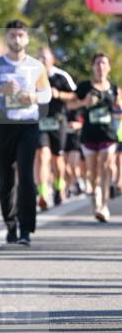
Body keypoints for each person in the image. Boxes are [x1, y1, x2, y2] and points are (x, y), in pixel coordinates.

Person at [0, 20, 51, 246]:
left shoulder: (36, 66)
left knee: (27, 177)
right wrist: (0, 90)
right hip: (3, 125)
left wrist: (34, 97)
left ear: (27, 38)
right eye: (12, 35)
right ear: (6, 38)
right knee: (6, 179)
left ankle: (26, 228)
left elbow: (47, 94)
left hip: (28, 124)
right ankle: (10, 224)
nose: (17, 39)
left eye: (20, 35)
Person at [69, 53, 119, 222]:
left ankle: (103, 205)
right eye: (97, 63)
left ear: (109, 67)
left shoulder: (114, 88)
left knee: (105, 166)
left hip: (108, 133)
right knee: (92, 171)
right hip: (89, 134)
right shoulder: (84, 86)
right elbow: (70, 104)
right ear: (92, 67)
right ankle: (95, 194)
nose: (100, 67)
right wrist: (84, 103)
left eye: (104, 63)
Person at [35, 47, 77, 210]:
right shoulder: (33, 78)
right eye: (38, 58)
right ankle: (43, 194)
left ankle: (59, 188)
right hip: (41, 121)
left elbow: (75, 96)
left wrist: (59, 94)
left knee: (57, 160)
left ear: (52, 59)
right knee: (42, 156)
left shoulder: (61, 76)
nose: (41, 61)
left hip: (58, 122)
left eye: (44, 58)